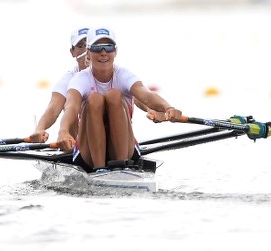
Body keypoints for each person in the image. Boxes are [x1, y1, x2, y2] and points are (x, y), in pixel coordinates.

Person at [56, 26, 181, 172]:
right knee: (94, 99)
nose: (103, 53)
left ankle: (122, 165)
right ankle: (99, 168)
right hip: (89, 153)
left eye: (108, 47)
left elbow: (146, 95)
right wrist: (63, 131)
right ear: (88, 53)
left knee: (113, 95)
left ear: (115, 51)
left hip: (124, 149)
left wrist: (168, 108)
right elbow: (72, 106)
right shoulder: (79, 79)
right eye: (97, 48)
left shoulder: (124, 74)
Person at [28, 27, 90, 143]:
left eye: (89, 46)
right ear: (72, 52)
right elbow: (53, 108)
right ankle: (74, 143)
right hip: (81, 141)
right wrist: (40, 129)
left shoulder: (113, 73)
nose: (86, 51)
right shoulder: (68, 79)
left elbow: (136, 98)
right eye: (81, 46)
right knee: (71, 103)